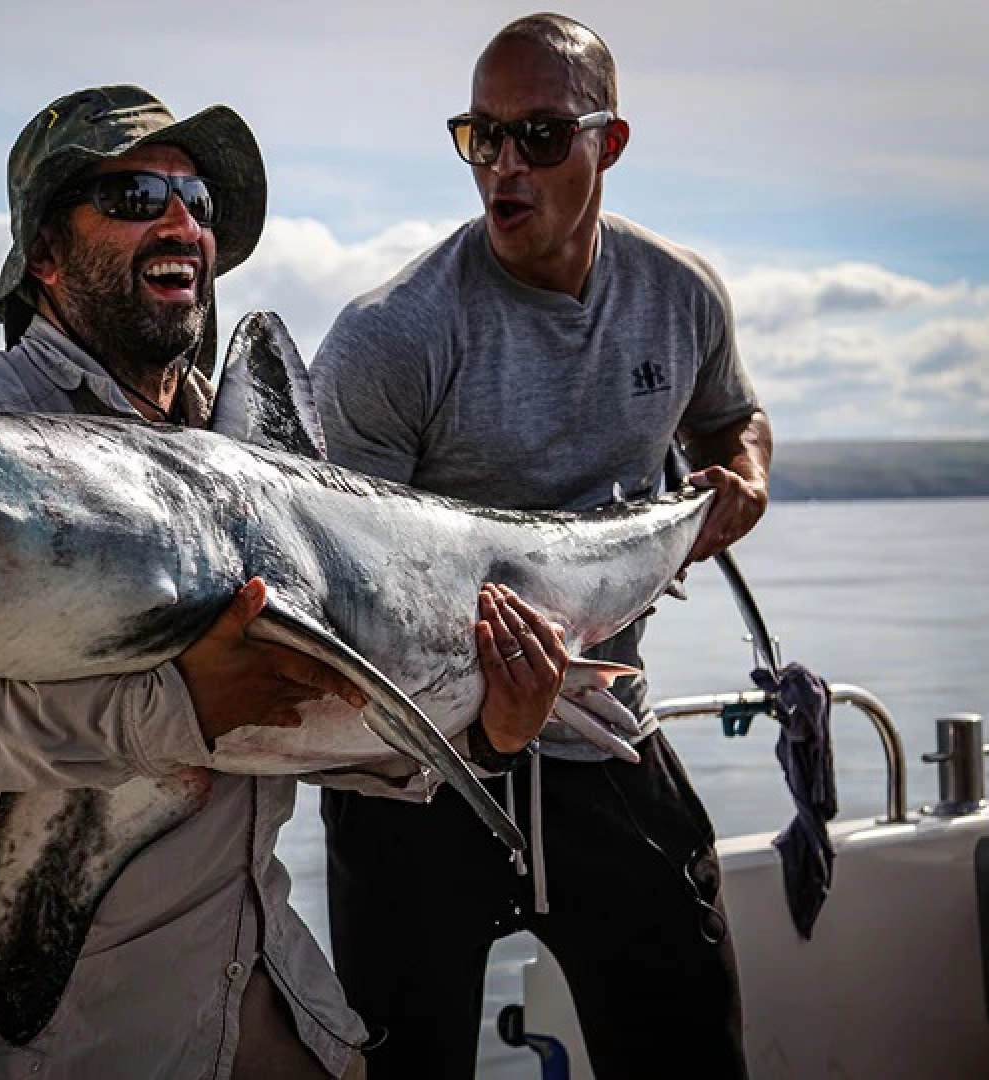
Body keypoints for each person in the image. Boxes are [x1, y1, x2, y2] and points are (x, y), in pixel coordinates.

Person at [0, 84, 566, 1080]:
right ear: (45, 256)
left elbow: (301, 708)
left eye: (197, 199)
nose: (184, 219)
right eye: (138, 194)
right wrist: (174, 706)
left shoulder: (243, 443)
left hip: (262, 976)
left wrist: (480, 732)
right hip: (77, 1025)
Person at [312, 15, 771, 1080]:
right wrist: (486, 716)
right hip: (417, 768)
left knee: (691, 1045)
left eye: (541, 136)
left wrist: (740, 477)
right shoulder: (389, 338)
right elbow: (346, 604)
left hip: (605, 728)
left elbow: (729, 418)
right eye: (483, 137)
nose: (505, 166)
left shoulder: (680, 294)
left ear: (608, 145)